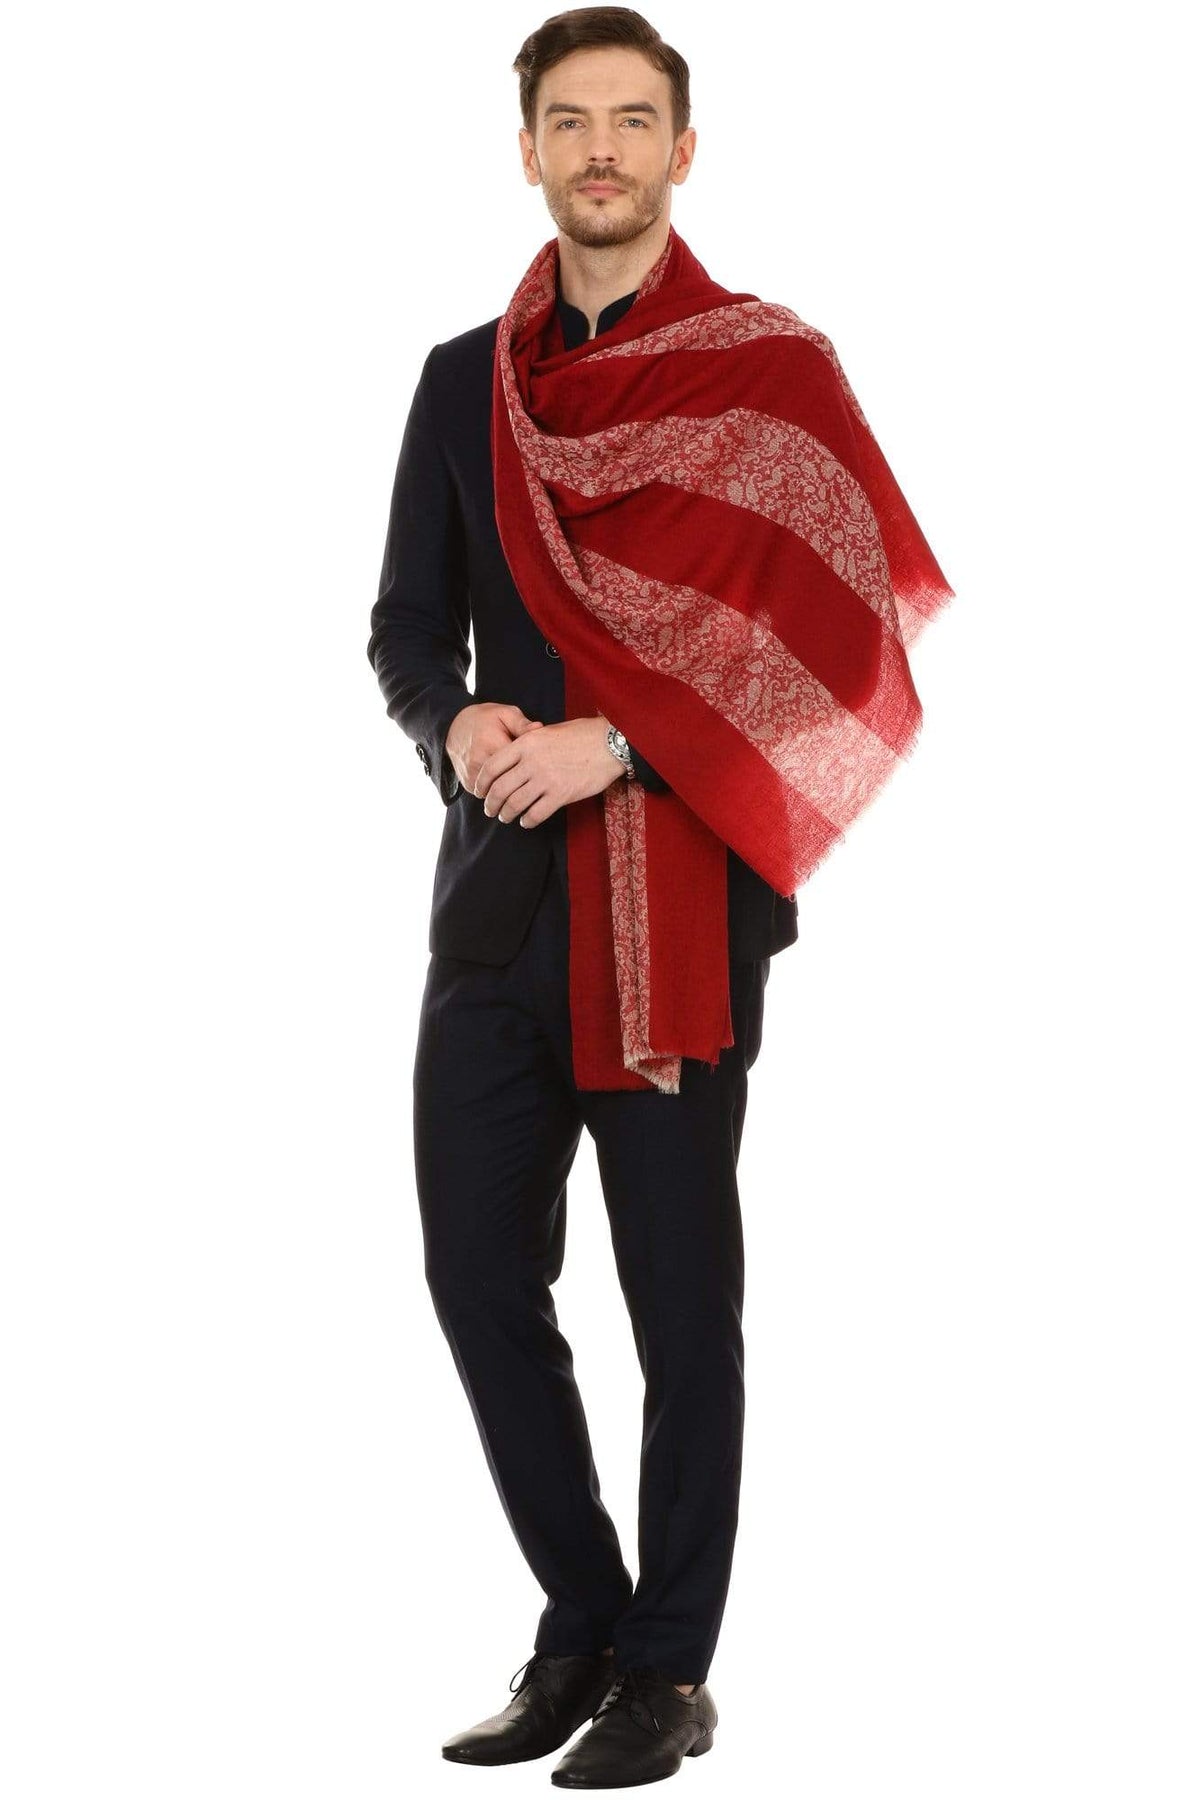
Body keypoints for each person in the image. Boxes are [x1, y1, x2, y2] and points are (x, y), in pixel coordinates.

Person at [366, 8, 953, 1787]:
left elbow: (841, 640)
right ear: (527, 152)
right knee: (479, 1279)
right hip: (495, 913)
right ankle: (584, 1628)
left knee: (681, 1307)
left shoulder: (771, 375)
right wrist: (454, 719)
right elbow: (406, 630)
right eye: (571, 121)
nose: (602, 150)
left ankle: (671, 1673)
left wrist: (615, 744)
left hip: (677, 904)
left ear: (684, 152)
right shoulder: (463, 382)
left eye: (634, 120)